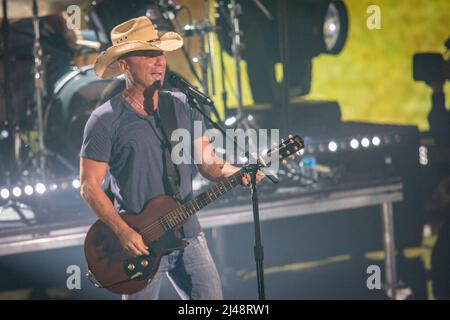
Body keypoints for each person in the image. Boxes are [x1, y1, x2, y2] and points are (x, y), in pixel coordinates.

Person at [79, 16, 262, 300]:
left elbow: (209, 164)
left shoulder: (180, 105)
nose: (159, 62)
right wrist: (124, 233)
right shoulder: (104, 120)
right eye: (149, 55)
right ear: (125, 65)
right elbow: (89, 186)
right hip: (139, 243)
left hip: (187, 234)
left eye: (160, 54)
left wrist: (236, 173)